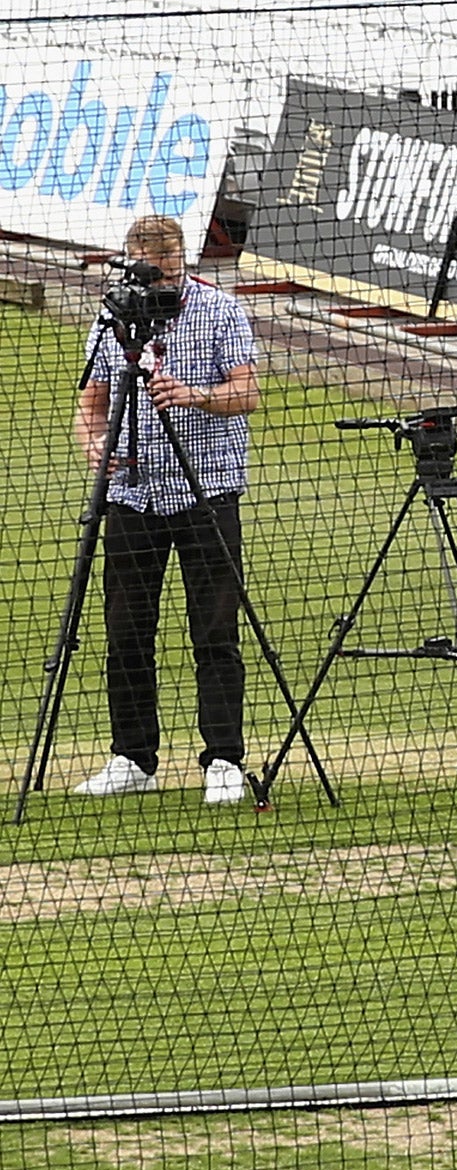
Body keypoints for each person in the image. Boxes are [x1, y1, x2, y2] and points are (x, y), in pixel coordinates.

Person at [71, 215, 261, 805]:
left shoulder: (220, 311)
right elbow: (89, 405)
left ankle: (224, 759)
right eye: (154, 272)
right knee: (126, 632)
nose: (164, 282)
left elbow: (248, 392)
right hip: (132, 495)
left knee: (215, 631)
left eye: (172, 269)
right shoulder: (111, 319)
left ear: (184, 260)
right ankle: (133, 755)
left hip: (206, 491)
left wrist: (197, 394)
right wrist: (94, 445)